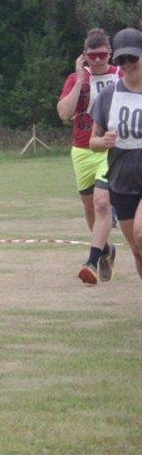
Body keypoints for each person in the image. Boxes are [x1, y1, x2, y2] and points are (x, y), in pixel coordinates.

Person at [56, 28, 119, 283]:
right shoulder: (75, 78)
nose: (98, 60)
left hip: (112, 150)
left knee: (102, 203)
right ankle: (105, 251)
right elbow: (63, 113)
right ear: (84, 56)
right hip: (82, 149)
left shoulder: (121, 75)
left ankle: (91, 262)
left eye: (102, 54)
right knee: (90, 208)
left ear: (110, 53)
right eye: (92, 56)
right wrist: (81, 80)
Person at [89, 28, 142, 282]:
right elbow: (93, 142)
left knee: (141, 234)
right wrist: (104, 141)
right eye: (122, 59)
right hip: (122, 181)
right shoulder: (109, 95)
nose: (127, 64)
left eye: (133, 57)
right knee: (137, 250)